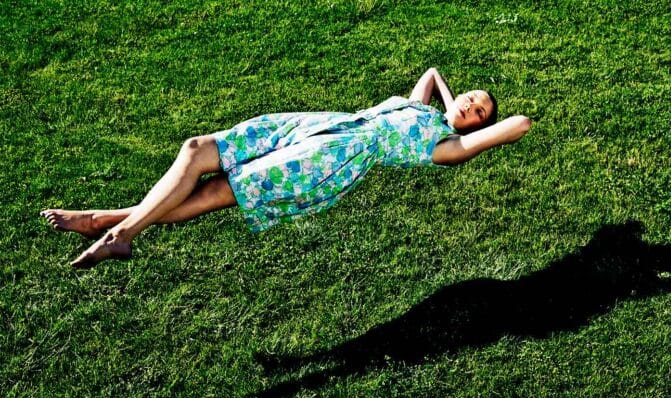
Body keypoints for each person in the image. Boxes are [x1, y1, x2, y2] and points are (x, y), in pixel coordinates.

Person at [40, 68, 532, 269]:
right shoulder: (421, 109)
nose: (473, 104)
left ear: (478, 127)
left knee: (216, 192)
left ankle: (111, 227)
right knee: (197, 149)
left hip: (324, 159)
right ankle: (111, 225)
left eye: (480, 110)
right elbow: (431, 73)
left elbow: (520, 122)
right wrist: (450, 100)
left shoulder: (444, 146)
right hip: (311, 126)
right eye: (473, 96)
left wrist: (467, 131)